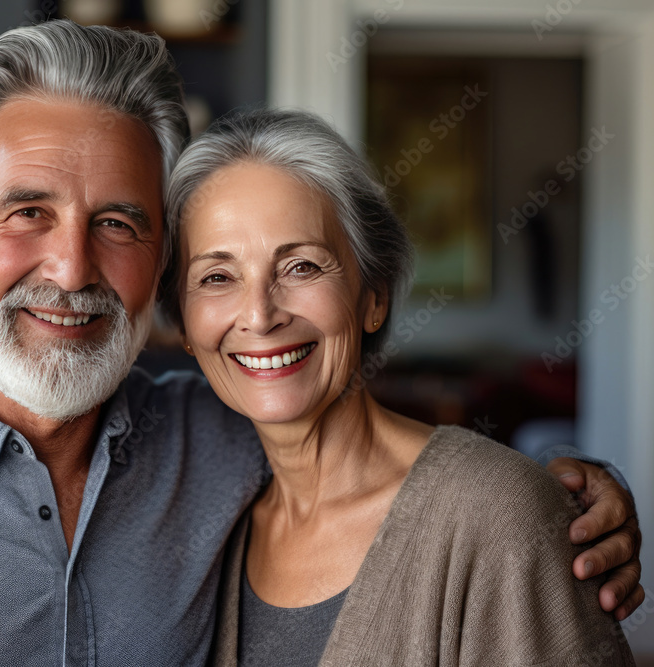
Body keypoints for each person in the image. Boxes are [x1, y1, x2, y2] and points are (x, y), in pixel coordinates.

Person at [0, 19, 640, 667]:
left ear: (161, 260)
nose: (71, 267)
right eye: (27, 213)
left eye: (120, 223)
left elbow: (371, 446)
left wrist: (555, 486)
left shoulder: (216, 437)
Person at [157, 108, 635, 665]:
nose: (260, 316)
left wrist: (558, 495)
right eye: (217, 277)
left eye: (302, 267)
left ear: (373, 297)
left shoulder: (500, 515)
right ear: (186, 326)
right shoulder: (213, 521)